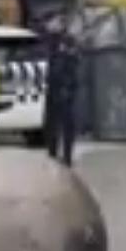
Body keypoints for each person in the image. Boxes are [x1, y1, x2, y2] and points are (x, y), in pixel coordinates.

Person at [42, 15, 82, 166]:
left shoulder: (68, 42)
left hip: (65, 88)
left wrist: (68, 86)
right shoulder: (51, 41)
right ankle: (52, 153)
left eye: (54, 22)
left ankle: (67, 157)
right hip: (53, 88)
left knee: (66, 125)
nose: (51, 25)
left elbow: (72, 63)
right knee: (51, 124)